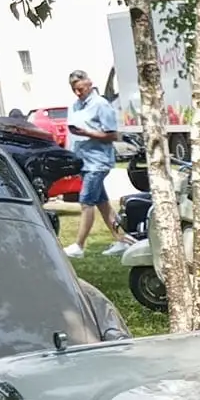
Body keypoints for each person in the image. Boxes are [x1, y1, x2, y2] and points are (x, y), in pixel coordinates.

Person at [62, 68, 135, 258]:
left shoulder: (101, 105)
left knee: (86, 201)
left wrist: (88, 133)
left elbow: (112, 134)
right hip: (83, 161)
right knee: (102, 202)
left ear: (89, 83)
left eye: (80, 88)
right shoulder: (75, 106)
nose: (78, 92)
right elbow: (72, 134)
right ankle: (123, 239)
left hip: (98, 161)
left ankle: (79, 245)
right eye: (74, 89)